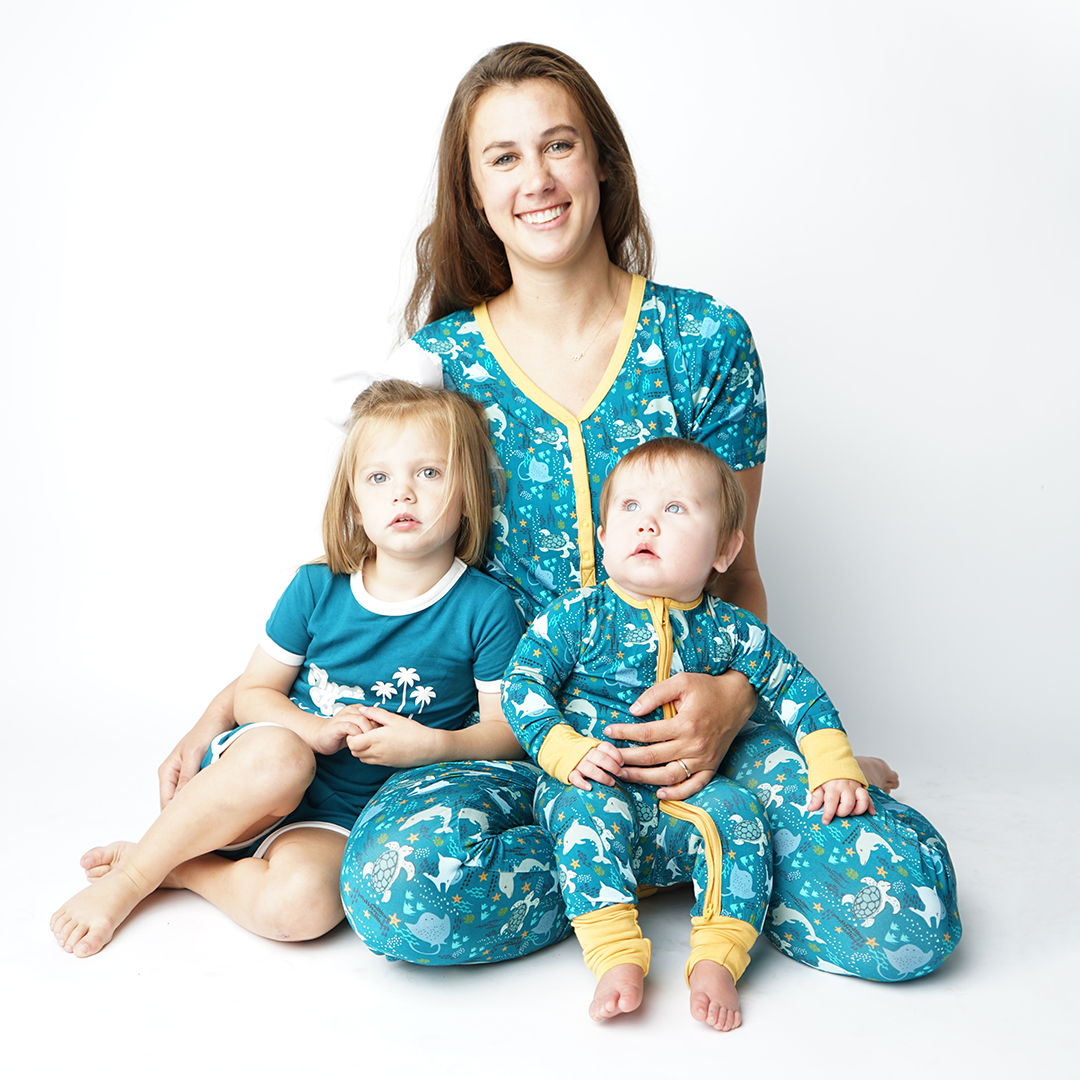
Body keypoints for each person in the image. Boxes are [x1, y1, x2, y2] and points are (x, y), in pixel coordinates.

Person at [341, 41, 960, 981]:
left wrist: (731, 704)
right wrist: (243, 702)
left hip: (711, 741)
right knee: (395, 891)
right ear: (471, 192)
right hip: (534, 747)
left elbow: (739, 573)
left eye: (559, 146)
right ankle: (699, 863)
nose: (537, 179)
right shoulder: (440, 366)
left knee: (911, 913)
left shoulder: (705, 339)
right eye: (502, 158)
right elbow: (386, 562)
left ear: (602, 165)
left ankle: (691, 841)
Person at [50, 381, 526, 958]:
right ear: (354, 503)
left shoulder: (485, 607)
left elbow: (507, 734)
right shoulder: (317, 585)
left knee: (301, 909)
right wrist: (312, 730)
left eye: (428, 473)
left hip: (344, 816)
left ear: (469, 494)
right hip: (255, 777)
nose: (403, 493)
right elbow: (254, 693)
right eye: (379, 478)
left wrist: (430, 748)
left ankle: (185, 870)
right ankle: (133, 878)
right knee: (283, 757)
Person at [505, 438, 873, 1028]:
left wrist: (832, 762)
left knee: (740, 814)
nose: (647, 521)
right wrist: (563, 749)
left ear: (725, 550)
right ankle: (614, 956)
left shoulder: (729, 629)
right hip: (600, 780)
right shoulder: (577, 617)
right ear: (603, 537)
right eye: (628, 507)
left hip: (688, 795)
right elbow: (523, 683)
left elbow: (796, 687)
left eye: (675, 509)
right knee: (581, 812)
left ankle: (719, 957)